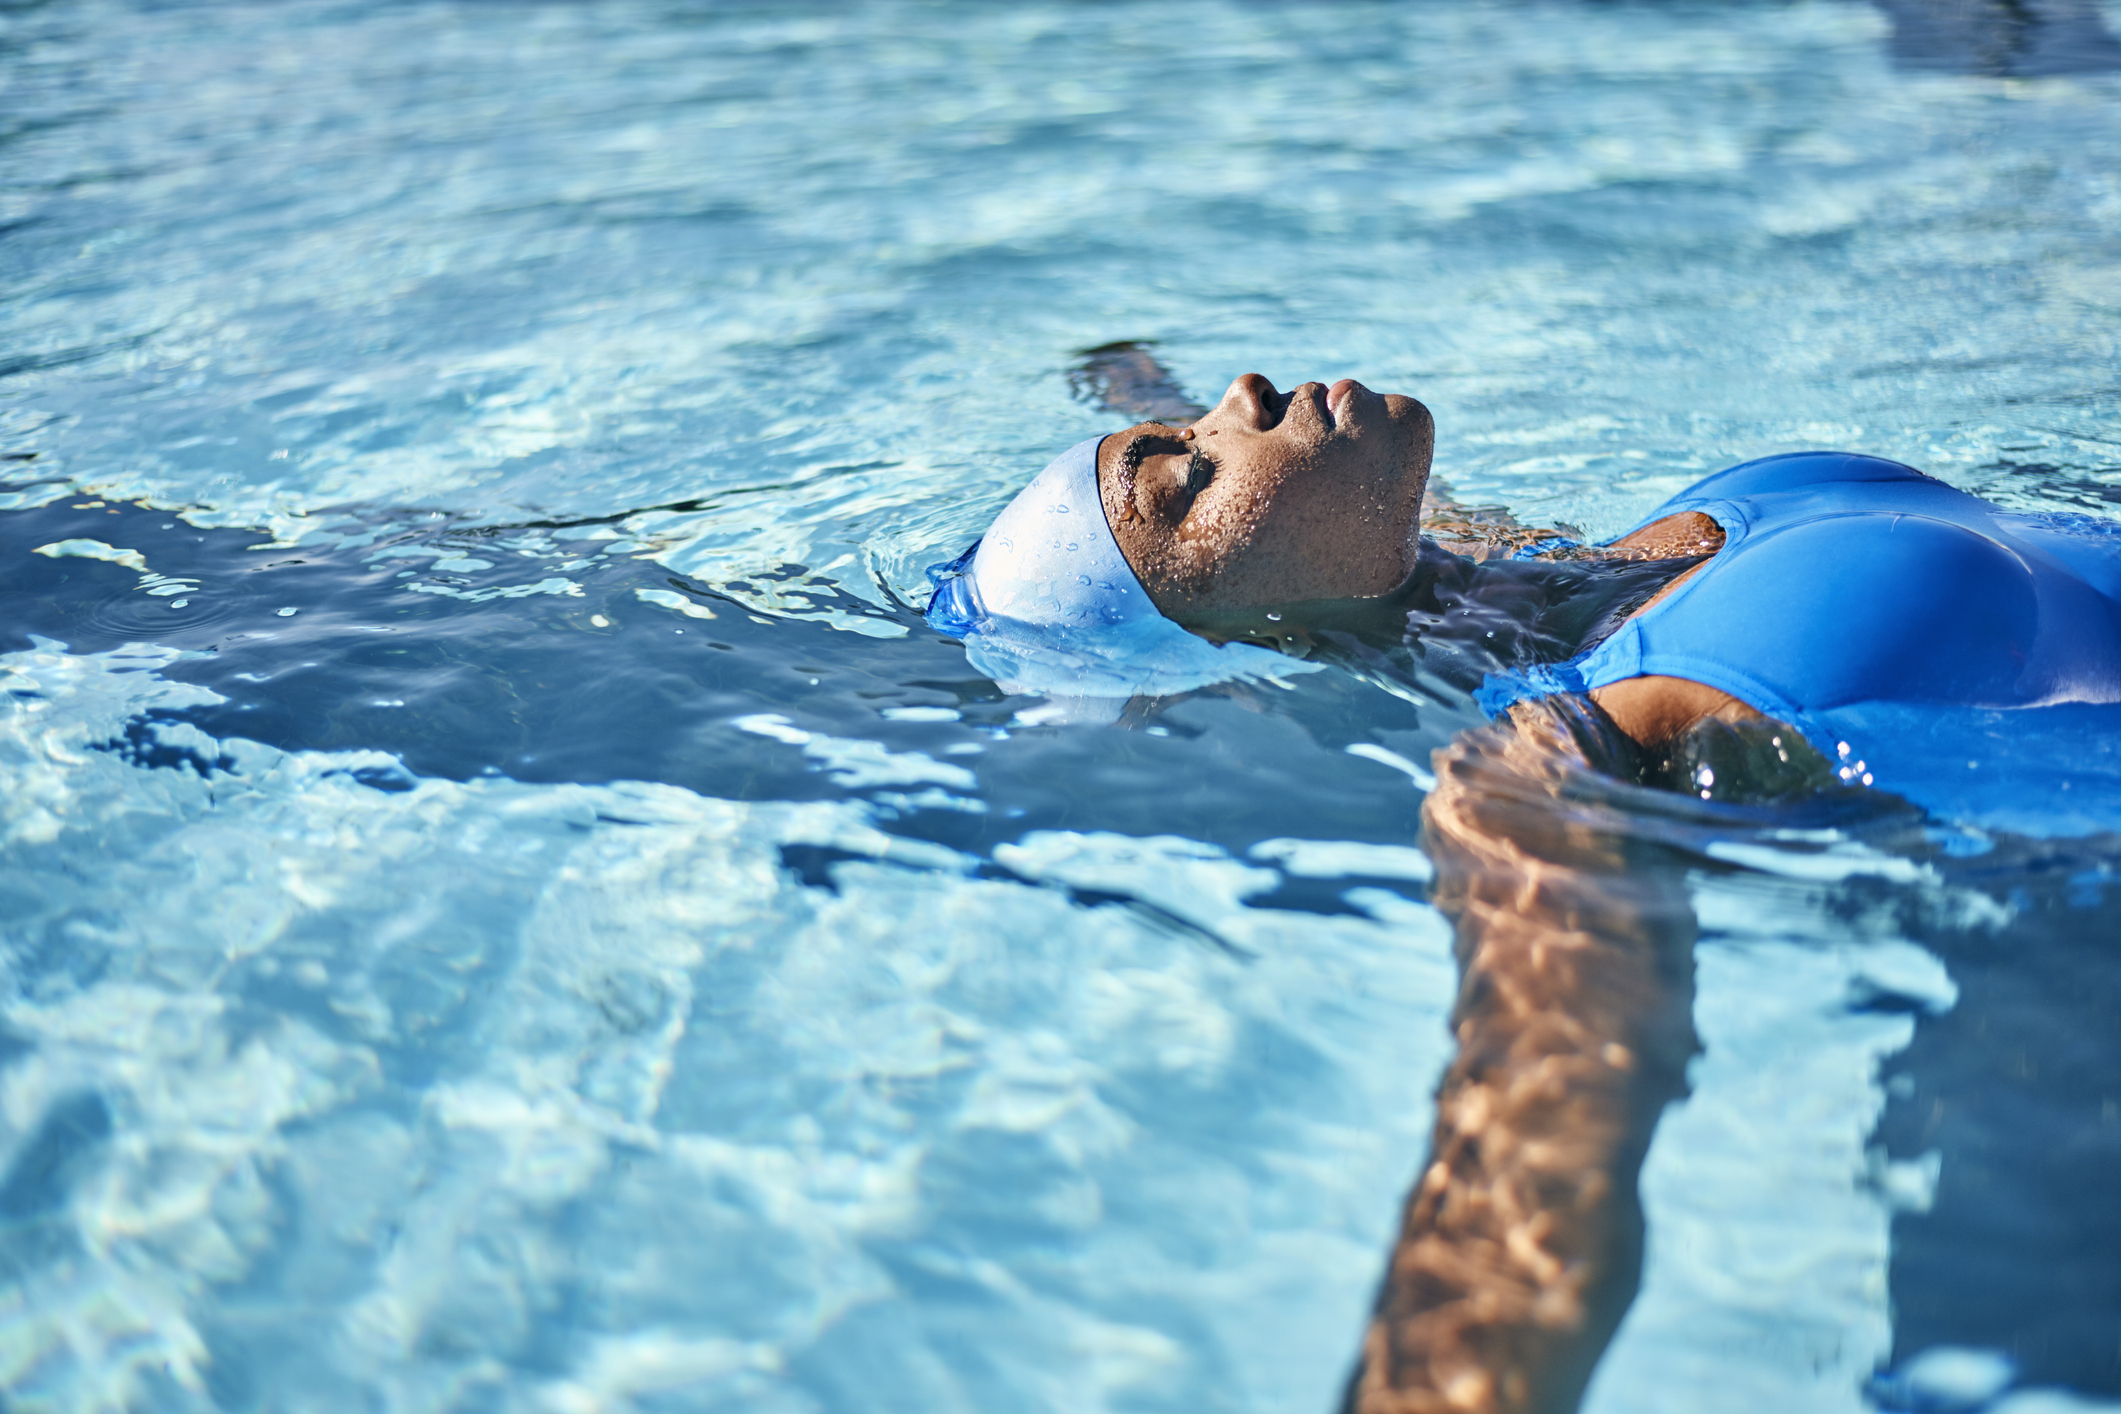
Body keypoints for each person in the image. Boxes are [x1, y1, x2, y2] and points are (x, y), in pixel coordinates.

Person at [926, 368, 2121, 1414]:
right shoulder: (1529, 777)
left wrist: (1137, 382)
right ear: (1241, 647)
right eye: (1187, 473)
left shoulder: (1546, 574)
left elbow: (1351, 525)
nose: (1240, 400)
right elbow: (1535, 1149)